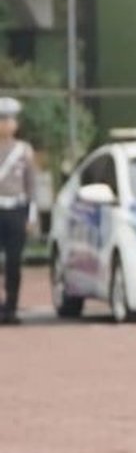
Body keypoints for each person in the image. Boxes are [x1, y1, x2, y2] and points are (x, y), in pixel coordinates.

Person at [0, 96, 38, 325]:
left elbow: (31, 185)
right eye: (2, 119)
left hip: (16, 211)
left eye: (10, 119)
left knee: (14, 261)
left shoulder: (24, 150)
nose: (6, 124)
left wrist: (30, 216)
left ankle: (11, 307)